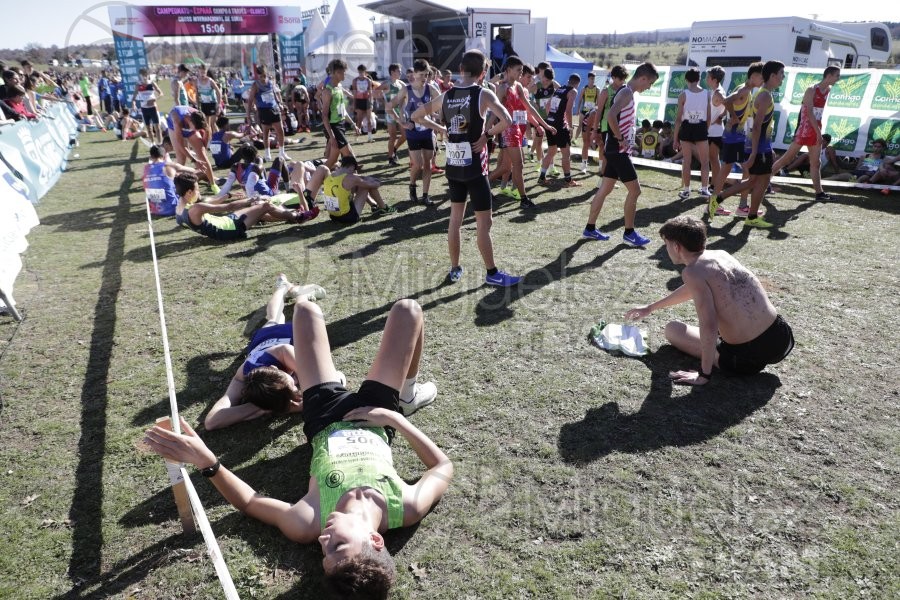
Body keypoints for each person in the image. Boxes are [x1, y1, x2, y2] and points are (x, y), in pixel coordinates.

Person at [143, 298, 450, 598]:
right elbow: (442, 468)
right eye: (338, 546)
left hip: (324, 416)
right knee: (408, 310)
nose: (324, 539)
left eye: (323, 553)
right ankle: (408, 394)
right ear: (375, 539)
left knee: (304, 310)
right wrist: (396, 419)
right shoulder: (405, 507)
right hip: (379, 415)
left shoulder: (309, 522)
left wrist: (209, 463)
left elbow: (250, 502)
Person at [625, 215, 794, 383]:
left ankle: (714, 365)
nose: (666, 249)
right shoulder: (721, 254)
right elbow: (697, 288)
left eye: (666, 244)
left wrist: (704, 374)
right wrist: (651, 307)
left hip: (746, 357)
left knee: (673, 329)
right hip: (781, 337)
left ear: (676, 247)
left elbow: (709, 324)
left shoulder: (692, 272)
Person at [412, 49, 523, 287]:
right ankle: (492, 273)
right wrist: (487, 135)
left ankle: (455, 268)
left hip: (454, 167)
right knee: (484, 223)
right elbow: (507, 120)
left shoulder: (447, 95)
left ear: (461, 70)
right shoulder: (482, 93)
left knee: (455, 220)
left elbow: (416, 115)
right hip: (475, 168)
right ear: (483, 73)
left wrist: (441, 130)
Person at [204, 274, 331, 430]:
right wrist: (263, 406)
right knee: (273, 319)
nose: (295, 388)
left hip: (285, 337)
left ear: (275, 368)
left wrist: (288, 403)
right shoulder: (244, 379)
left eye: (292, 383)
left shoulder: (285, 353)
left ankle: (292, 291)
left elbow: (325, 385)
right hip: (263, 343)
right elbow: (211, 422)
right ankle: (283, 288)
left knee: (290, 313)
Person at [582, 63, 660, 247]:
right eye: (649, 83)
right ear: (643, 78)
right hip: (617, 150)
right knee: (635, 190)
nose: (648, 87)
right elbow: (610, 116)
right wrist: (620, 138)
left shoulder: (628, 93)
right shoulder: (626, 93)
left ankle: (590, 228)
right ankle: (629, 233)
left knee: (605, 189)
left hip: (615, 149)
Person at [709, 61, 785, 228]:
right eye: (781, 74)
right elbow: (757, 126)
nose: (783, 78)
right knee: (758, 180)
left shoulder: (761, 93)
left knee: (755, 181)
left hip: (758, 145)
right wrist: (753, 152)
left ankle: (723, 201)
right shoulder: (764, 95)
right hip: (757, 147)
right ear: (772, 76)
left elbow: (757, 124)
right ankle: (745, 213)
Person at [489, 56, 555, 208]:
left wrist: (543, 125)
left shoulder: (518, 87)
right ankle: (524, 199)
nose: (521, 72)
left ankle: (482, 186)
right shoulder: (502, 88)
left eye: (521, 70)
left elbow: (529, 108)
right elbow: (494, 112)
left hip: (517, 129)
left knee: (506, 167)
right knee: (518, 164)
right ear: (508, 70)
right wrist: (487, 132)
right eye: (518, 70)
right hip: (507, 131)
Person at [771, 66, 841, 201]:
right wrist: (819, 133)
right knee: (787, 158)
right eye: (837, 75)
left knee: (816, 163)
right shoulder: (811, 90)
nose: (838, 78)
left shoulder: (828, 89)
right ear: (829, 75)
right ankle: (765, 181)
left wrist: (818, 130)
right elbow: (808, 112)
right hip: (805, 128)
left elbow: (817, 112)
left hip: (815, 127)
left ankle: (819, 193)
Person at [174, 172, 305, 241]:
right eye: (197, 189)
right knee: (265, 205)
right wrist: (253, 198)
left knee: (258, 208)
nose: (199, 192)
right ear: (189, 192)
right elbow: (229, 207)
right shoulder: (195, 209)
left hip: (226, 223)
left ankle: (287, 215)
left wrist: (228, 195)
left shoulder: (179, 210)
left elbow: (209, 203)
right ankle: (297, 216)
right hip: (229, 230)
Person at [708, 62, 764, 218]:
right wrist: (732, 115)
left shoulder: (746, 89)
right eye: (761, 77)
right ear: (753, 76)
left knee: (727, 170)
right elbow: (726, 100)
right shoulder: (744, 90)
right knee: (744, 168)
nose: (763, 81)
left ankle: (716, 204)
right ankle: (740, 206)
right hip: (734, 136)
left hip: (735, 135)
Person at [388, 59, 442, 205]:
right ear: (415, 74)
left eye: (427, 75)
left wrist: (437, 116)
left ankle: (425, 195)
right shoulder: (406, 89)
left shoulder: (431, 88)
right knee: (417, 165)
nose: (424, 78)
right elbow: (389, 106)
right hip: (412, 132)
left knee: (428, 164)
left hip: (427, 131)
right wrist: (401, 123)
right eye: (422, 75)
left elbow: (443, 104)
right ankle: (412, 185)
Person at [537, 69, 581, 187]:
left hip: (550, 123)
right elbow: (568, 110)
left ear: (568, 81)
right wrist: (570, 127)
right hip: (560, 125)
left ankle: (542, 177)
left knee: (551, 151)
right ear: (577, 83)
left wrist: (551, 117)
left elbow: (547, 105)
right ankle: (568, 180)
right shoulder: (573, 91)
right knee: (566, 153)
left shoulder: (559, 89)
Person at [673, 68, 711, 200]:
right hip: (700, 126)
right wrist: (704, 129)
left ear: (686, 80)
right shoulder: (707, 93)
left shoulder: (683, 95)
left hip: (687, 127)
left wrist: (675, 138)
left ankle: (686, 190)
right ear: (699, 79)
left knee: (687, 161)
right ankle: (704, 189)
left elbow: (678, 119)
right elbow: (709, 116)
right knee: (705, 161)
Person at [322, 156, 395, 224]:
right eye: (354, 170)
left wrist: (366, 178)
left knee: (358, 185)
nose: (354, 173)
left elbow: (358, 178)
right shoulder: (350, 178)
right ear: (352, 167)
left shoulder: (330, 175)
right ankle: (384, 208)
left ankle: (374, 206)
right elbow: (372, 185)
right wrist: (379, 182)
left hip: (333, 216)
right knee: (365, 186)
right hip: (347, 218)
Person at [167, 105, 218, 194]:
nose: (195, 130)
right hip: (173, 127)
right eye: (195, 128)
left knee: (203, 156)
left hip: (191, 125)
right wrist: (194, 160)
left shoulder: (199, 117)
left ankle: (213, 184)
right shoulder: (177, 120)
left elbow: (207, 131)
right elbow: (181, 145)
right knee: (182, 158)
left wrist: (203, 148)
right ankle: (175, 186)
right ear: (189, 120)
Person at [321, 59, 361, 170]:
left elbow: (342, 110)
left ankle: (314, 179)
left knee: (332, 161)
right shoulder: (328, 91)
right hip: (334, 127)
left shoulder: (339, 88)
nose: (345, 74)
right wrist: (332, 137)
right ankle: (355, 180)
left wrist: (353, 124)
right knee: (349, 156)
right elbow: (324, 116)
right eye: (342, 72)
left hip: (341, 124)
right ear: (335, 73)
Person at [246, 65, 288, 162]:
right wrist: (248, 115)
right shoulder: (255, 85)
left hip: (274, 109)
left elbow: (275, 94)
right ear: (258, 76)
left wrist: (280, 103)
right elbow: (250, 100)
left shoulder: (271, 82)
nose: (263, 79)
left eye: (264, 76)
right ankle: (267, 154)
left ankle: (282, 153)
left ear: (267, 74)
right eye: (261, 77)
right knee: (266, 132)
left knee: (280, 130)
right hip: (264, 110)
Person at [593, 66, 629, 174]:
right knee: (608, 154)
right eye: (620, 79)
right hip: (607, 126)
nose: (623, 81)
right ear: (613, 77)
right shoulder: (605, 91)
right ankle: (603, 180)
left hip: (619, 126)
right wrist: (595, 129)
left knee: (614, 154)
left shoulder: (625, 90)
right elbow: (599, 111)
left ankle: (607, 179)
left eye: (624, 79)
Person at [376, 63, 406, 166]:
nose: (401, 72)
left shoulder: (401, 83)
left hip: (400, 112)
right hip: (390, 113)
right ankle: (390, 158)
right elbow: (374, 92)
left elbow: (408, 93)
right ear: (392, 72)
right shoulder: (386, 83)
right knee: (393, 136)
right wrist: (383, 102)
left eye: (400, 70)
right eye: (399, 71)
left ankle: (394, 149)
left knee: (405, 134)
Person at [705, 67, 727, 199]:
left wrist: (721, 117)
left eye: (708, 77)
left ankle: (715, 186)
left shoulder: (718, 92)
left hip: (715, 132)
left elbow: (729, 103)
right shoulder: (715, 91)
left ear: (714, 79)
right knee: (712, 159)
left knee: (714, 159)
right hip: (711, 131)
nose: (706, 79)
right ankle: (713, 185)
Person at [132, 68, 165, 145]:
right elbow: (134, 98)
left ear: (148, 75)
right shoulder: (138, 85)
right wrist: (133, 104)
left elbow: (161, 93)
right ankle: (153, 144)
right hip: (144, 109)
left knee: (157, 128)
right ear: (140, 76)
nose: (144, 77)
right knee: (148, 128)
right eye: (142, 75)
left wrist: (154, 99)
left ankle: (160, 143)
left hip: (153, 108)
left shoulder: (152, 83)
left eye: (145, 75)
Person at [577, 72, 600, 173]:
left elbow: (599, 102)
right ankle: (584, 165)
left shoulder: (597, 89)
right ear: (588, 79)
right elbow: (580, 99)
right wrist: (578, 109)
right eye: (591, 79)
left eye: (594, 79)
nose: (592, 80)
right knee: (581, 128)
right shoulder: (584, 89)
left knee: (599, 141)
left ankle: (601, 166)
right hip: (585, 112)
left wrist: (597, 110)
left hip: (593, 113)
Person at [351, 64, 375, 142]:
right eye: (359, 72)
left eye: (362, 72)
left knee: (369, 120)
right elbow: (354, 93)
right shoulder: (355, 81)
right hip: (359, 100)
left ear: (365, 72)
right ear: (358, 72)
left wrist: (371, 102)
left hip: (367, 101)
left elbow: (370, 92)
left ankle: (370, 137)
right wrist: (354, 104)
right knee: (359, 120)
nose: (361, 73)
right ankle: (356, 137)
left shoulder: (368, 80)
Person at [197, 68, 224, 133]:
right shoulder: (199, 81)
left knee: (213, 123)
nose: (202, 75)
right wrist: (198, 104)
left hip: (213, 103)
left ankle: (218, 139)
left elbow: (219, 92)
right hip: (204, 104)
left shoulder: (212, 81)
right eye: (201, 73)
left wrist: (219, 105)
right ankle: (210, 138)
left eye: (204, 73)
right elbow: (197, 93)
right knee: (207, 124)